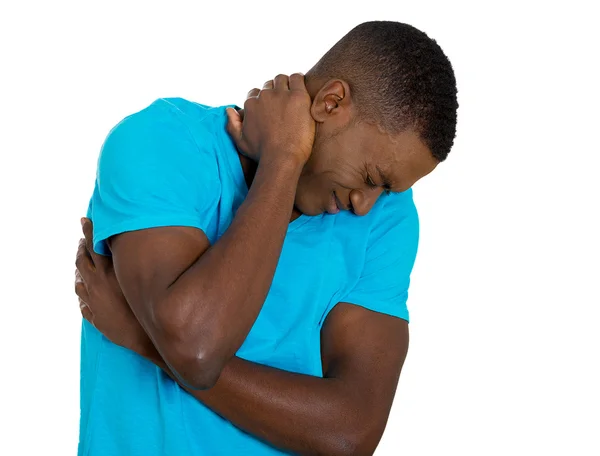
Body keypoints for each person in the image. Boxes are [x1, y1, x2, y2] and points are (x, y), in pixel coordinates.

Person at [74, 21, 458, 455]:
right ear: (331, 103)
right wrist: (284, 157)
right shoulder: (161, 142)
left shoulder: (387, 218)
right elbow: (198, 345)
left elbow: (350, 432)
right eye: (372, 178)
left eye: (388, 189)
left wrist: (145, 337)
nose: (366, 204)